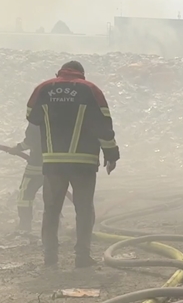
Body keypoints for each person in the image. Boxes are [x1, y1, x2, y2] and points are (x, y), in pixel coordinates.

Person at [26, 60, 120, 268]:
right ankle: (82, 257)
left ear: (60, 72)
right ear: (81, 74)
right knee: (84, 208)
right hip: (83, 162)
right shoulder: (91, 90)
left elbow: (31, 117)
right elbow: (104, 125)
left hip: (53, 162)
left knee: (51, 209)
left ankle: (50, 258)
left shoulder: (43, 89)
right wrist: (111, 153)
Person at [11, 123, 44, 232]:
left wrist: (17, 148)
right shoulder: (58, 117)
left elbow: (30, 141)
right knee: (53, 196)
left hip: (36, 166)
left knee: (24, 196)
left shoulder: (36, 120)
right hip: (55, 165)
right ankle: (56, 226)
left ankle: (25, 225)